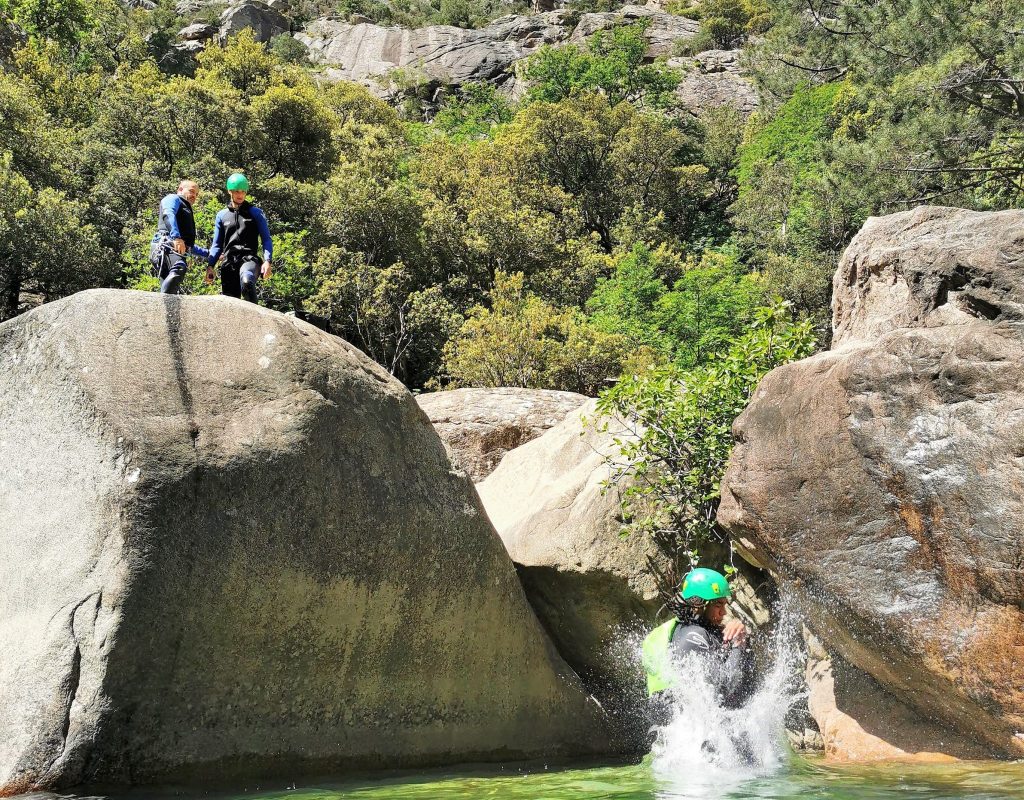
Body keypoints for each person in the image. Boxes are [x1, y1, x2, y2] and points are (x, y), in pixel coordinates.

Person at [642, 567, 755, 717]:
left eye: (724, 605)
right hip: (685, 729)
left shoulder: (693, 628)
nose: (724, 612)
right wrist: (737, 643)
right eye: (718, 605)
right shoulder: (693, 635)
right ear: (698, 605)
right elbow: (725, 687)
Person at [207, 173, 273, 303]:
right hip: (229, 263)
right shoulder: (222, 215)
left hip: (249, 260)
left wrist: (267, 261)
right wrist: (210, 265)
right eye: (237, 191)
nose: (240, 195)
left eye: (243, 192)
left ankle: (256, 320)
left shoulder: (255, 212)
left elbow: (266, 239)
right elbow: (217, 245)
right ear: (229, 191)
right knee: (231, 303)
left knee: (247, 282)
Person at [150, 180, 210, 294]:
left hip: (172, 247)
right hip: (166, 246)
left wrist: (207, 253)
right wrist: (176, 237)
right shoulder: (173, 198)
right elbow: (168, 213)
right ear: (180, 189)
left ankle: (165, 308)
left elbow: (187, 246)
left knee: (170, 285)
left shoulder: (186, 208)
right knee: (179, 266)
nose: (194, 196)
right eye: (192, 191)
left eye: (196, 194)